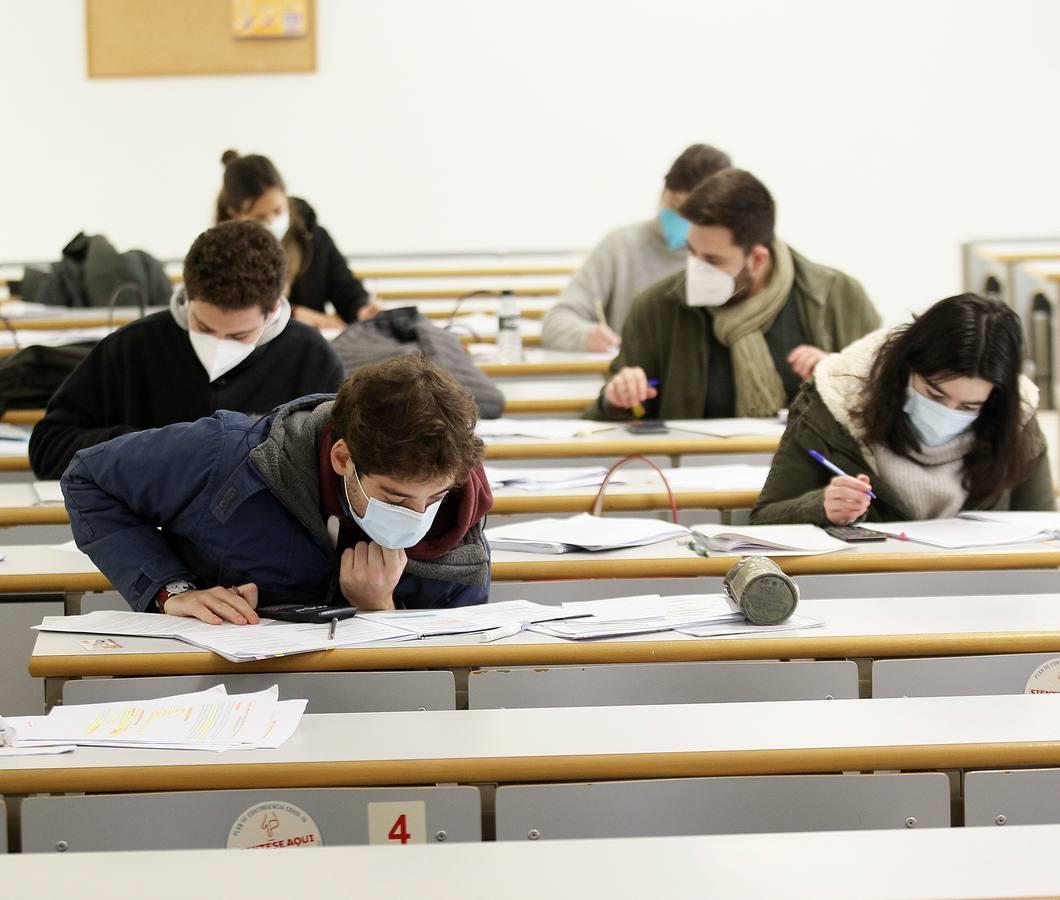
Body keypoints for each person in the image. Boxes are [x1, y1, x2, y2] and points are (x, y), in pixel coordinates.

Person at [62, 355, 494, 623]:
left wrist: (378, 608)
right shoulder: (229, 457)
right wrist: (171, 590)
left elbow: (457, 665)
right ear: (342, 458)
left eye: (433, 498)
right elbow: (88, 479)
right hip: (225, 698)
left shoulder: (461, 512)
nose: (418, 516)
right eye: (395, 498)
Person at [29, 221, 344, 479]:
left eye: (239, 334)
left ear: (273, 309)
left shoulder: (312, 359)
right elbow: (48, 447)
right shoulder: (131, 348)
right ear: (188, 297)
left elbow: (340, 470)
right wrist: (149, 447)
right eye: (204, 328)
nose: (219, 345)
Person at [588, 168, 881, 421]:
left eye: (713, 260)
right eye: (692, 252)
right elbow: (622, 417)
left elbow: (887, 407)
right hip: (690, 475)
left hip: (812, 480)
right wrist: (617, 399)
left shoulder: (838, 298)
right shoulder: (657, 307)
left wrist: (838, 380)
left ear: (757, 259)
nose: (696, 270)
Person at [751, 294, 1056, 525]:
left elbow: (1044, 530)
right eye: (934, 395)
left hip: (984, 591)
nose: (948, 412)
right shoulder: (834, 401)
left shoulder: (1015, 417)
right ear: (907, 367)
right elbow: (765, 517)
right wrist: (821, 506)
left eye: (969, 406)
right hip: (862, 589)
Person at [542, 144, 732, 352]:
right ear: (663, 193)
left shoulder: (731, 258)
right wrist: (585, 336)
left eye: (691, 213)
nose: (679, 218)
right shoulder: (620, 246)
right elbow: (557, 321)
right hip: (632, 379)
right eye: (675, 205)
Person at [216, 149, 383, 328]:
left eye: (278, 211)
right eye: (260, 218)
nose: (272, 221)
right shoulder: (222, 252)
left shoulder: (313, 237)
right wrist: (293, 314)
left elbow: (343, 286)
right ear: (234, 214)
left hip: (310, 346)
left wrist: (362, 309)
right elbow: (233, 311)